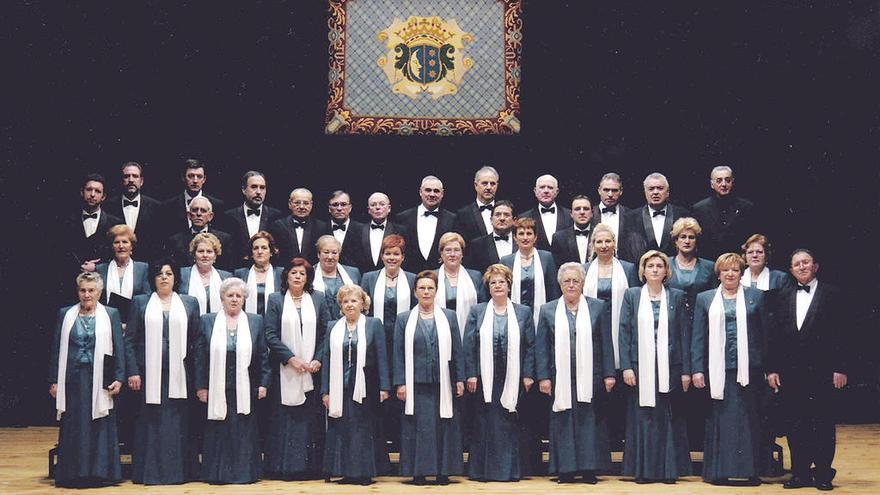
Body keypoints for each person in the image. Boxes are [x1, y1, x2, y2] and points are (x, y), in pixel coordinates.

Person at [767, 249, 848, 491]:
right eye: (797, 264)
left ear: (815, 266)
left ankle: (823, 473)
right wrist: (772, 369)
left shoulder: (833, 294)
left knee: (822, 423)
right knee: (796, 424)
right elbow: (775, 337)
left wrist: (840, 368)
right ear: (791, 270)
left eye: (806, 262)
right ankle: (800, 473)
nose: (802, 267)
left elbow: (844, 335)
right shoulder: (782, 295)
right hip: (791, 373)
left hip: (822, 372)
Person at [691, 253, 769, 485]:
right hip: (718, 372)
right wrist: (697, 369)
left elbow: (765, 336)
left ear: (741, 273)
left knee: (748, 421)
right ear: (719, 273)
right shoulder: (705, 299)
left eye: (735, 270)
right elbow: (698, 337)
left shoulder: (756, 297)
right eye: (726, 270)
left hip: (749, 371)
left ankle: (750, 471)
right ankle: (719, 471)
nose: (730, 274)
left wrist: (767, 367)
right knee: (722, 421)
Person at [535, 263, 616, 483]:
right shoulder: (548, 309)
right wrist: (543, 377)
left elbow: (606, 344)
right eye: (567, 281)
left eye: (576, 281)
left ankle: (589, 470)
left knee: (589, 422)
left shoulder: (598, 307)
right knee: (563, 422)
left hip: (591, 376)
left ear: (582, 283)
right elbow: (541, 347)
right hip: (559, 377)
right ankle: (566, 470)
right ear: (560, 284)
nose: (571, 285)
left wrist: (609, 374)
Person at [124, 258, 202, 485]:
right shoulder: (140, 303)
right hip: (147, 374)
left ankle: (179, 473)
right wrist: (132, 372)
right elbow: (130, 341)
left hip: (180, 373)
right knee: (151, 423)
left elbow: (197, 342)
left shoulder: (189, 303)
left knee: (177, 424)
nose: (164, 277)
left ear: (175, 278)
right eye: (160, 274)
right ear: (153, 279)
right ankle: (149, 472)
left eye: (169, 273)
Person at [618, 250, 692, 483]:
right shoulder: (631, 295)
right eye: (650, 266)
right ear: (643, 270)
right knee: (644, 418)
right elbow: (624, 333)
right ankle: (644, 471)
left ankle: (668, 471)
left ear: (666, 271)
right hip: (640, 367)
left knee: (668, 420)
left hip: (670, 367)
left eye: (660, 266)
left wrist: (687, 371)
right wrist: (627, 367)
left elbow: (684, 335)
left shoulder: (677, 296)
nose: (655, 269)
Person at [49, 271, 126, 487]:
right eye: (83, 290)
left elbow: (119, 347)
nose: (86, 295)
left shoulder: (111, 314)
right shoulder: (65, 314)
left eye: (91, 290)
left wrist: (119, 377)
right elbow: (56, 348)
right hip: (72, 380)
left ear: (99, 292)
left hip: (100, 379)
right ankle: (74, 474)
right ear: (78, 292)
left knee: (99, 425)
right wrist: (54, 379)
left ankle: (101, 473)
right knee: (75, 426)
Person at [193, 277, 271, 484]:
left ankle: (244, 474)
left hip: (246, 385)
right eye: (230, 296)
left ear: (244, 299)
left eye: (238, 296)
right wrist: (201, 386)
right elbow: (199, 357)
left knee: (243, 430)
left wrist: (264, 382)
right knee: (219, 430)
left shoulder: (255, 321)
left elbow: (263, 355)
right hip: (216, 385)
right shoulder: (207, 320)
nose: (234, 299)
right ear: (222, 298)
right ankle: (218, 474)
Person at [463, 264, 536, 482]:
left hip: (513, 377)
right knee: (486, 422)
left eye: (501, 282)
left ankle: (510, 471)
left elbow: (531, 346)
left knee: (509, 422)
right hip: (485, 378)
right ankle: (483, 471)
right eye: (493, 282)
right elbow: (469, 345)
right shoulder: (478, 311)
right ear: (488, 286)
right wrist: (471, 374)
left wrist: (528, 374)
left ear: (509, 285)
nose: (497, 286)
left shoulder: (523, 312)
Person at [393, 271, 466, 485]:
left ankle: (444, 472)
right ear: (415, 292)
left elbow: (458, 351)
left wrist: (459, 379)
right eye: (422, 288)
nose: (426, 292)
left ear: (436, 291)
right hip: (415, 385)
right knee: (420, 429)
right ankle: (419, 472)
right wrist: (400, 383)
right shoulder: (404, 319)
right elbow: (398, 353)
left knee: (444, 428)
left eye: (430, 288)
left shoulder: (449, 316)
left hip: (443, 383)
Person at [263, 258, 332, 479]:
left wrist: (318, 359)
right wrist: (291, 359)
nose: (297, 277)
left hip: (312, 371)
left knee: (308, 421)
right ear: (286, 276)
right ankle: (282, 467)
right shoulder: (276, 300)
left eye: (302, 274)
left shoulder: (318, 299)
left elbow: (327, 332)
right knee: (284, 420)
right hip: (285, 370)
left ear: (308, 278)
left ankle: (310, 468)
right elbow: (270, 334)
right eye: (293, 273)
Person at [321, 284, 391, 485]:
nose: (350, 305)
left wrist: (384, 387)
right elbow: (326, 359)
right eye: (345, 301)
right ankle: (345, 472)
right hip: (339, 387)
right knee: (342, 430)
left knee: (362, 430)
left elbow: (382, 357)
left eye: (354, 300)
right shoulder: (332, 327)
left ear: (363, 303)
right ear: (340, 306)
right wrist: (325, 391)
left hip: (366, 386)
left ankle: (364, 473)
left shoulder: (373, 324)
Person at [582, 223, 640, 450]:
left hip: (621, 335)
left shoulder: (627, 269)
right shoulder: (583, 269)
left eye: (608, 241)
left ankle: (620, 446)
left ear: (614, 244)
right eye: (599, 242)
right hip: (593, 339)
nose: (604, 245)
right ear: (593, 245)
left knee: (620, 395)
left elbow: (635, 304)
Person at [360, 234, 416, 453]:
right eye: (387, 253)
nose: (391, 258)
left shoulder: (412, 279)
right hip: (375, 347)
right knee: (378, 397)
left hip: (404, 346)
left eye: (396, 254)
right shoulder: (369, 278)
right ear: (381, 256)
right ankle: (379, 453)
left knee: (402, 398)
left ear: (403, 257)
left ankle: (404, 450)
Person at [500, 216, 561, 325]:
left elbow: (553, 291)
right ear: (515, 237)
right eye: (521, 234)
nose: (525, 237)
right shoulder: (506, 261)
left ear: (535, 237)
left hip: (542, 317)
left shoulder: (546, 258)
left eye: (529, 233)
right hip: (514, 317)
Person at [619, 172, 691, 263]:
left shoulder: (682, 215)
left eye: (660, 188)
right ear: (645, 192)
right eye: (651, 189)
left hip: (676, 273)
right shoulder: (631, 217)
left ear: (667, 192)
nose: (655, 192)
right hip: (641, 274)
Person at [692, 165, 757, 260]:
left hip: (738, 262)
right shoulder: (699, 209)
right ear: (712, 184)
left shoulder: (746, 207)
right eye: (719, 180)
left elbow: (752, 239)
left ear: (732, 182)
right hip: (709, 263)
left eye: (728, 180)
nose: (724, 184)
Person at [396, 176, 457, 273]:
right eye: (428, 190)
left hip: (441, 275)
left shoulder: (452, 219)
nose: (432, 194)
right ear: (420, 192)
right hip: (410, 276)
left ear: (442, 194)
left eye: (436, 191)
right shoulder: (403, 218)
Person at [104, 161, 164, 259]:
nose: (131, 180)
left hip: (146, 265)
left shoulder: (156, 207)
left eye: (135, 176)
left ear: (141, 181)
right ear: (121, 180)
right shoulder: (108, 206)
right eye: (127, 176)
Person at [63, 173, 122, 272]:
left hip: (103, 281)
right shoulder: (67, 221)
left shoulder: (115, 224)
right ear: (82, 192)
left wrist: (97, 267)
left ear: (103, 197)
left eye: (97, 191)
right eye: (89, 190)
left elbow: (119, 255)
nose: (93, 194)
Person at [220, 171, 281, 265]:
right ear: (244, 190)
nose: (258, 192)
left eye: (262, 188)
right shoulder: (229, 216)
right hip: (238, 272)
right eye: (254, 187)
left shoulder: (275, 216)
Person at [94, 224, 151, 323]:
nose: (121, 246)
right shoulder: (100, 269)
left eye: (125, 242)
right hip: (105, 322)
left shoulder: (143, 268)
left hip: (135, 324)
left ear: (131, 246)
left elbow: (146, 298)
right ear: (112, 246)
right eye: (116, 242)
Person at [434, 232, 486, 335]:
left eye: (457, 250)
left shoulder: (475, 277)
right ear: (441, 253)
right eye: (448, 250)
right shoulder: (431, 277)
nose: (452, 254)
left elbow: (482, 308)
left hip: (469, 334)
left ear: (462, 253)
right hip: (437, 334)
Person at [667, 217, 717, 320]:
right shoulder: (665, 264)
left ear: (696, 241)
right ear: (676, 241)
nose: (687, 241)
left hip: (701, 320)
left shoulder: (709, 266)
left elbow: (714, 298)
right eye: (683, 237)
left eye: (691, 237)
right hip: (671, 321)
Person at [164, 197, 233, 270]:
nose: (199, 214)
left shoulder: (224, 240)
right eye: (195, 210)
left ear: (210, 216)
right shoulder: (175, 241)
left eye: (203, 210)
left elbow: (227, 269)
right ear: (189, 215)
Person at [162, 159, 225, 233]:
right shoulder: (169, 206)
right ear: (183, 177)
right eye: (191, 176)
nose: (195, 181)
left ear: (204, 179)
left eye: (199, 176)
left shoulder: (217, 205)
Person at [269, 188, 328, 265]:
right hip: (284, 273)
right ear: (290, 204)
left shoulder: (321, 227)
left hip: (313, 273)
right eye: (297, 203)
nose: (302, 207)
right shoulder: (278, 226)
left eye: (306, 203)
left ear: (311, 205)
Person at [180, 233, 232, 315]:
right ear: (194, 255)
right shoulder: (182, 275)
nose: (205, 255)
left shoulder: (226, 277)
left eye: (209, 251)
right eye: (200, 251)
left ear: (215, 256)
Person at [233, 231, 283, 316]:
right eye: (256, 248)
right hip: (248, 324)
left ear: (271, 252)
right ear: (251, 253)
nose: (259, 251)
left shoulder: (281, 273)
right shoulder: (240, 274)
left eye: (264, 248)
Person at [313, 234, 362, 319]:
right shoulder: (310, 273)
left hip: (347, 324)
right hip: (318, 325)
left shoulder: (353, 273)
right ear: (318, 254)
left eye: (334, 253)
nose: (330, 257)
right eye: (326, 252)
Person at [518, 174, 572, 250]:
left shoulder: (569, 215)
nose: (546, 191)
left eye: (550, 187)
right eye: (542, 187)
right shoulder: (524, 217)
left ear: (556, 192)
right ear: (535, 191)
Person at [465, 200, 517, 273]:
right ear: (491, 220)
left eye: (506, 215)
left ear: (514, 220)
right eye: (498, 215)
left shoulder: (521, 243)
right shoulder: (477, 245)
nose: (502, 218)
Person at [358, 192, 404, 273]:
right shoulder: (359, 230)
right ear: (368, 210)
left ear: (389, 208)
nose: (378, 207)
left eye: (382, 204)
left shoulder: (401, 230)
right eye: (373, 205)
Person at [455, 166, 499, 242]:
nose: (489, 187)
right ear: (476, 185)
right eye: (484, 183)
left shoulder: (505, 212)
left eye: (492, 184)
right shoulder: (463, 214)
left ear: (497, 185)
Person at [326, 190, 367, 269]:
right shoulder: (320, 229)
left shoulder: (363, 229)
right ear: (329, 208)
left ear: (350, 208)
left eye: (343, 204)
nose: (339, 208)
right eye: (335, 205)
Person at [551, 195, 595, 265]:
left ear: (592, 213)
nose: (582, 212)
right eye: (577, 209)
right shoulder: (559, 238)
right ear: (571, 214)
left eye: (586, 209)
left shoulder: (600, 235)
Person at [591, 172, 629, 243]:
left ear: (621, 191)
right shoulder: (589, 214)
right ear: (599, 190)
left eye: (614, 190)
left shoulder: (630, 215)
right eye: (606, 190)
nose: (610, 194)